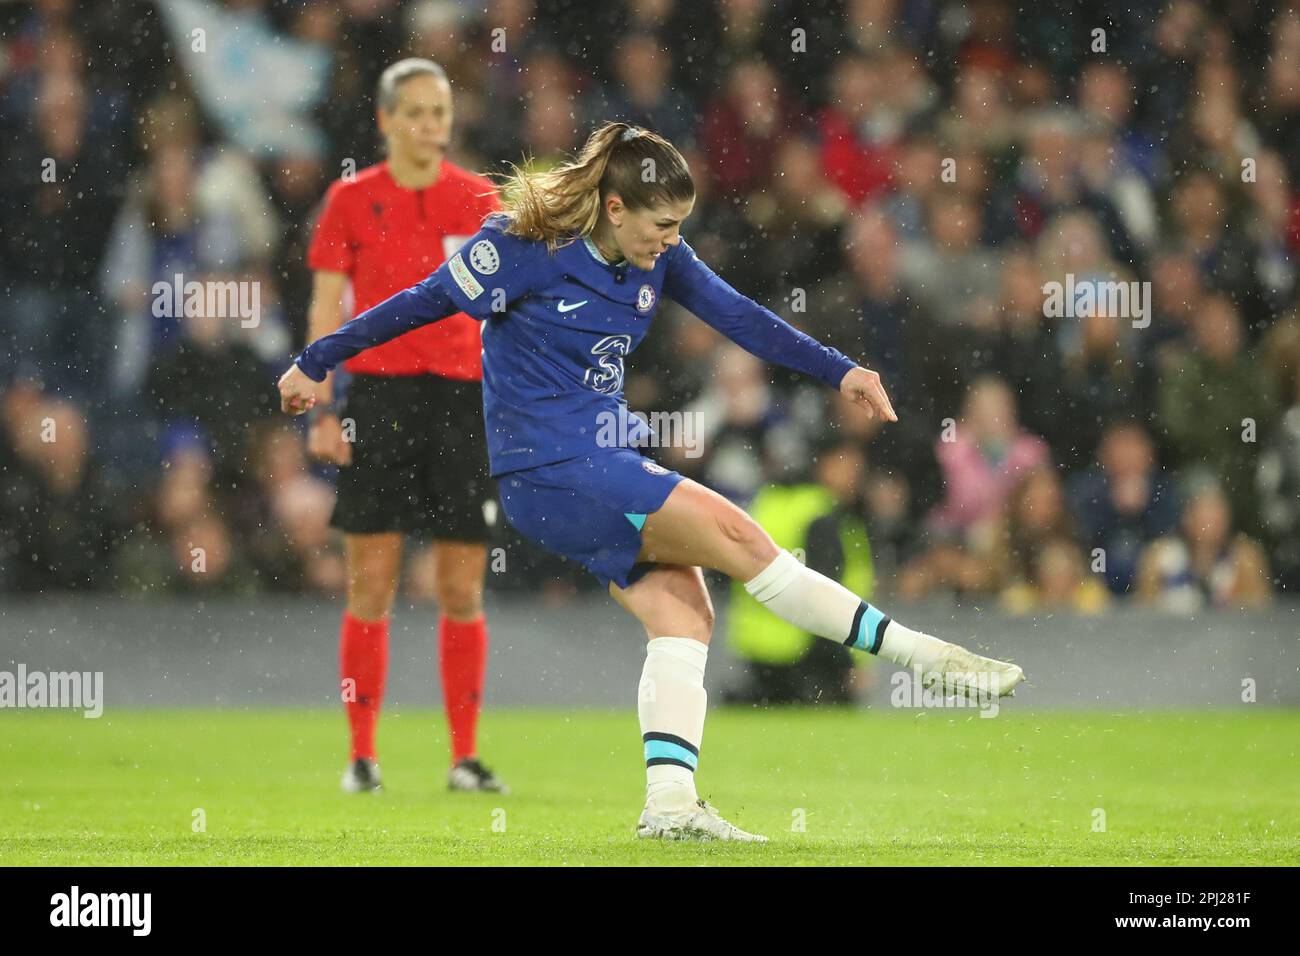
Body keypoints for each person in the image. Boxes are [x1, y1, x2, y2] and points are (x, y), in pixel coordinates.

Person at [278, 122, 1025, 842]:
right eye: (661, 223)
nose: (670, 239)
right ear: (614, 207)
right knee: (739, 535)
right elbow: (421, 302)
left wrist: (843, 371)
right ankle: (924, 658)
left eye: (679, 225)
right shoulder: (522, 248)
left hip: (593, 467)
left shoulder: (659, 258)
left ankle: (669, 803)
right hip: (551, 469)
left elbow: (743, 318)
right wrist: (319, 360)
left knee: (685, 610)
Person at [302, 59, 506, 795]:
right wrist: (324, 406)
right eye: (415, 112)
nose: (430, 125)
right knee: (373, 585)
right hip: (378, 401)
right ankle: (362, 756)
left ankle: (465, 758)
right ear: (385, 121)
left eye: (440, 111)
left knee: (461, 587)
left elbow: (509, 307)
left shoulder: (481, 199)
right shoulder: (351, 200)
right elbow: (327, 308)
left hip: (462, 402)